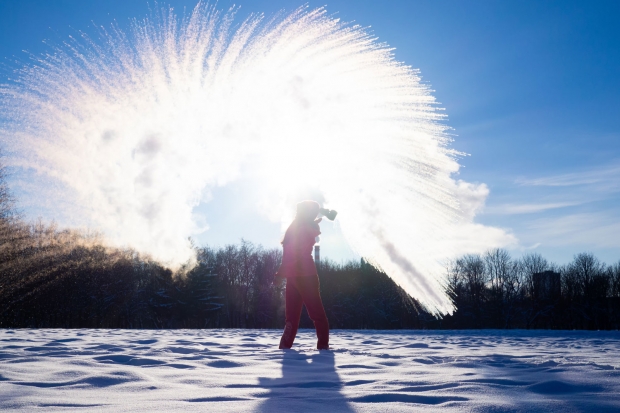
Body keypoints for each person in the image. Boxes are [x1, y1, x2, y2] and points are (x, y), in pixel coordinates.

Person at [274, 200, 330, 350]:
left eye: (300, 210)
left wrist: (280, 274)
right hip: (294, 278)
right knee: (291, 319)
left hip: (306, 278)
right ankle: (284, 349)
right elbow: (289, 255)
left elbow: (293, 255)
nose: (297, 212)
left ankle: (323, 348)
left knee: (316, 315)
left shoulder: (301, 228)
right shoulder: (300, 226)